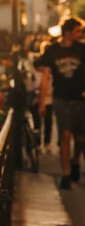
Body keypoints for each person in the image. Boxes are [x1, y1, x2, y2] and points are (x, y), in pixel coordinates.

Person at [35, 17, 85, 190]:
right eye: (78, 31)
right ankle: (65, 173)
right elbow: (46, 77)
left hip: (79, 97)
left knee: (80, 138)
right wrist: (42, 102)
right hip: (60, 98)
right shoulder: (53, 51)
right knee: (65, 134)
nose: (80, 34)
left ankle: (76, 160)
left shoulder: (82, 49)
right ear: (68, 32)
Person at [27, 41, 54, 152]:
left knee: (46, 121)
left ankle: (44, 143)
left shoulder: (49, 69)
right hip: (40, 99)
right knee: (41, 121)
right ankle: (41, 143)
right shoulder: (43, 68)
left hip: (47, 98)